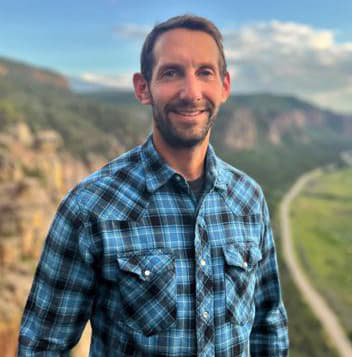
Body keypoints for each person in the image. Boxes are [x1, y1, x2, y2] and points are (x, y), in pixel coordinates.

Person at [17, 14, 289, 356]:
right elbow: (42, 345)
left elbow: (267, 324)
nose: (191, 93)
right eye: (171, 73)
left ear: (224, 86)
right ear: (143, 88)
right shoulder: (91, 206)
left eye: (204, 72)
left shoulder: (248, 199)